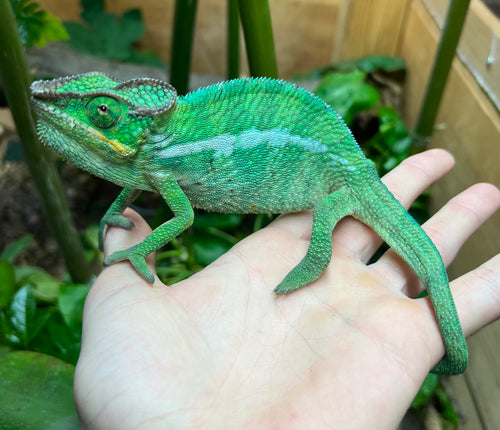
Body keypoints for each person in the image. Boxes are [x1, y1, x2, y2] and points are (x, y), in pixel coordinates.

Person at [73, 149, 500, 430]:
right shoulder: (153, 156)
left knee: (336, 220)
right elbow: (142, 173)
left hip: (341, 181)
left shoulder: (160, 152)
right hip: (332, 176)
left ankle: (318, 260)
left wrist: (316, 257)